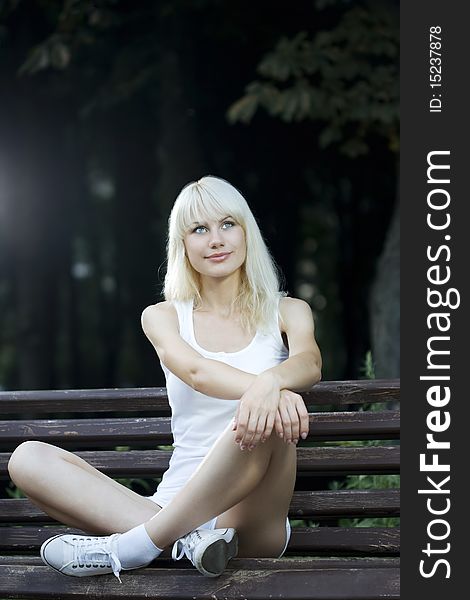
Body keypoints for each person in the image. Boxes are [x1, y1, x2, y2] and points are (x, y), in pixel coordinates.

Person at [8, 175, 322, 582]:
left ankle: (135, 546)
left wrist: (270, 387)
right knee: (27, 458)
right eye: (199, 229)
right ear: (183, 244)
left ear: (247, 232)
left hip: (250, 517)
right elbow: (195, 371)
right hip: (170, 505)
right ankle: (187, 541)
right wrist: (268, 386)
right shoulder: (163, 316)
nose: (216, 239)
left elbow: (310, 363)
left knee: (265, 419)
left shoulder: (288, 310)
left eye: (228, 224)